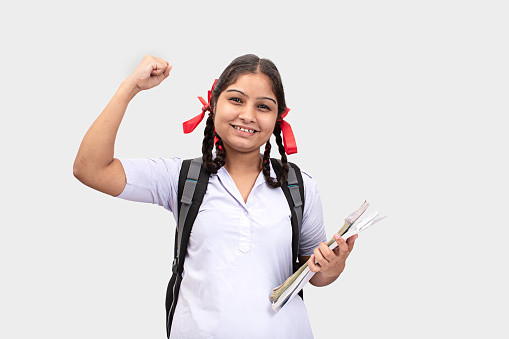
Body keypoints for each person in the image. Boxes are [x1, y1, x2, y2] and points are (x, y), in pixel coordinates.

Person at [73, 54, 358, 338]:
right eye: (236, 99)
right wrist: (129, 87)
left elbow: (316, 274)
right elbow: (90, 168)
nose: (248, 115)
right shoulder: (181, 178)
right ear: (213, 103)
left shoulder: (299, 186)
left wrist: (335, 265)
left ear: (277, 118)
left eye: (263, 106)